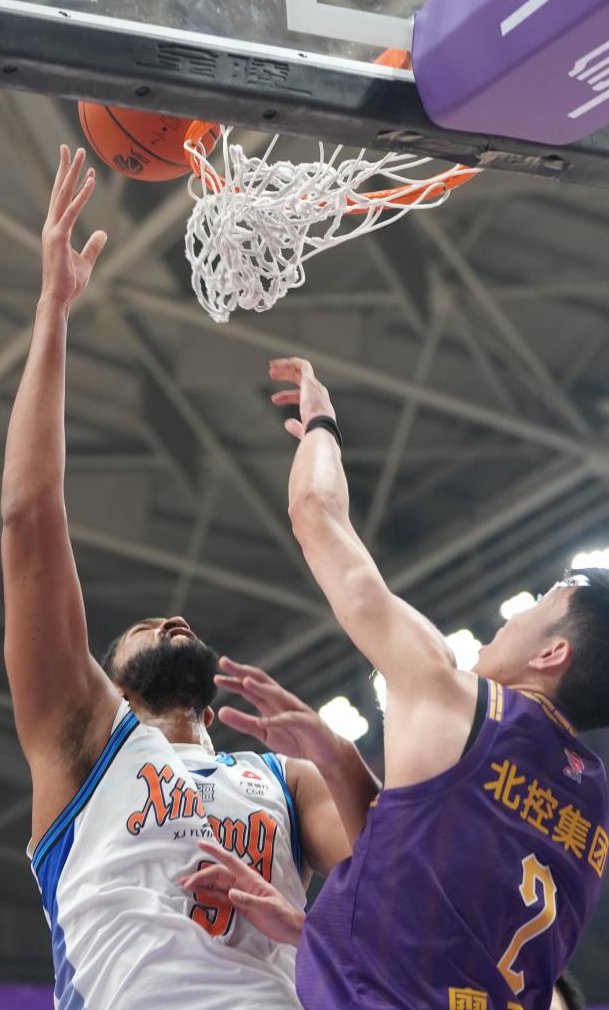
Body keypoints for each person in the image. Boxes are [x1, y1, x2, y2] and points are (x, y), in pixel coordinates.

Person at [0, 150, 353, 1010]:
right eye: (144, 628)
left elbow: (393, 920)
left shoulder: (285, 780)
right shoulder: (87, 737)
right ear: (111, 681)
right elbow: (29, 523)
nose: (172, 619)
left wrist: (338, 759)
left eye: (168, 621)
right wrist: (53, 309)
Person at [182, 357, 609, 1009]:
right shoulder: (591, 805)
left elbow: (315, 513)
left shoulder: (450, 693)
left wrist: (321, 427)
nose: (512, 616)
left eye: (537, 606)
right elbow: (424, 883)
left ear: (552, 653)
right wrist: (314, 928)